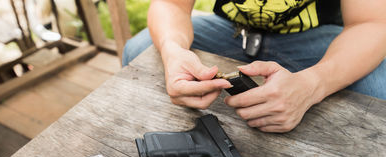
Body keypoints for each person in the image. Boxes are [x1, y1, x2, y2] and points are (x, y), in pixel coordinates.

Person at [122, 0, 386, 132]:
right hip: (232, 31)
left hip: (316, 38)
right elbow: (170, 4)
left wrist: (313, 85)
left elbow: (372, 23)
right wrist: (174, 50)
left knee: (378, 85)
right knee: (139, 49)